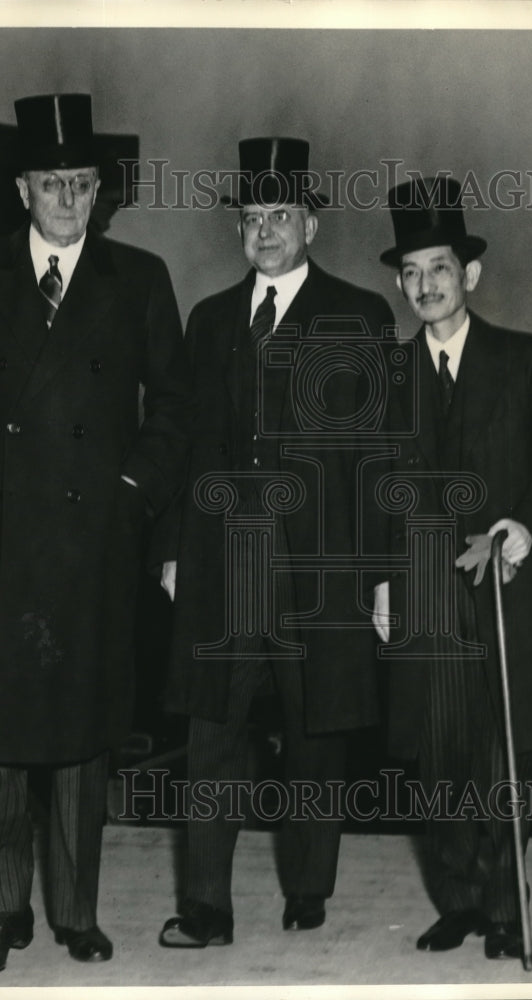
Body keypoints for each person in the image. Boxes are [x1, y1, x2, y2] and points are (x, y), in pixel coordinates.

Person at [0, 93, 191, 975]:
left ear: (98, 190)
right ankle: (0, 914)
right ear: (22, 188)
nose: (69, 200)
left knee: (80, 739)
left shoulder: (137, 279)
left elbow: (176, 409)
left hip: (87, 543)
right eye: (52, 184)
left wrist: (129, 493)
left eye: (83, 184)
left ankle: (76, 914)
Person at [157, 138, 395, 947]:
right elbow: (190, 444)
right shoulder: (211, 319)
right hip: (224, 562)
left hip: (319, 570)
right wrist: (173, 551)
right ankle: (204, 908)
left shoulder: (360, 316)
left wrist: (378, 576)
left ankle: (307, 888)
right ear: (237, 231)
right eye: (251, 218)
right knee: (210, 735)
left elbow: (376, 461)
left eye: (280, 215)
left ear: (313, 224)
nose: (264, 232)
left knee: (314, 734)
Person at [374, 176, 532, 959]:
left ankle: (505, 905)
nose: (424, 285)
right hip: (424, 595)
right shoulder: (390, 377)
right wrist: (379, 584)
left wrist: (522, 524)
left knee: (505, 755)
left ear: (469, 275)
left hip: (508, 596)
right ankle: (458, 900)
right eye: (410, 272)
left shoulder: (524, 360)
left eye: (438, 268)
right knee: (440, 755)